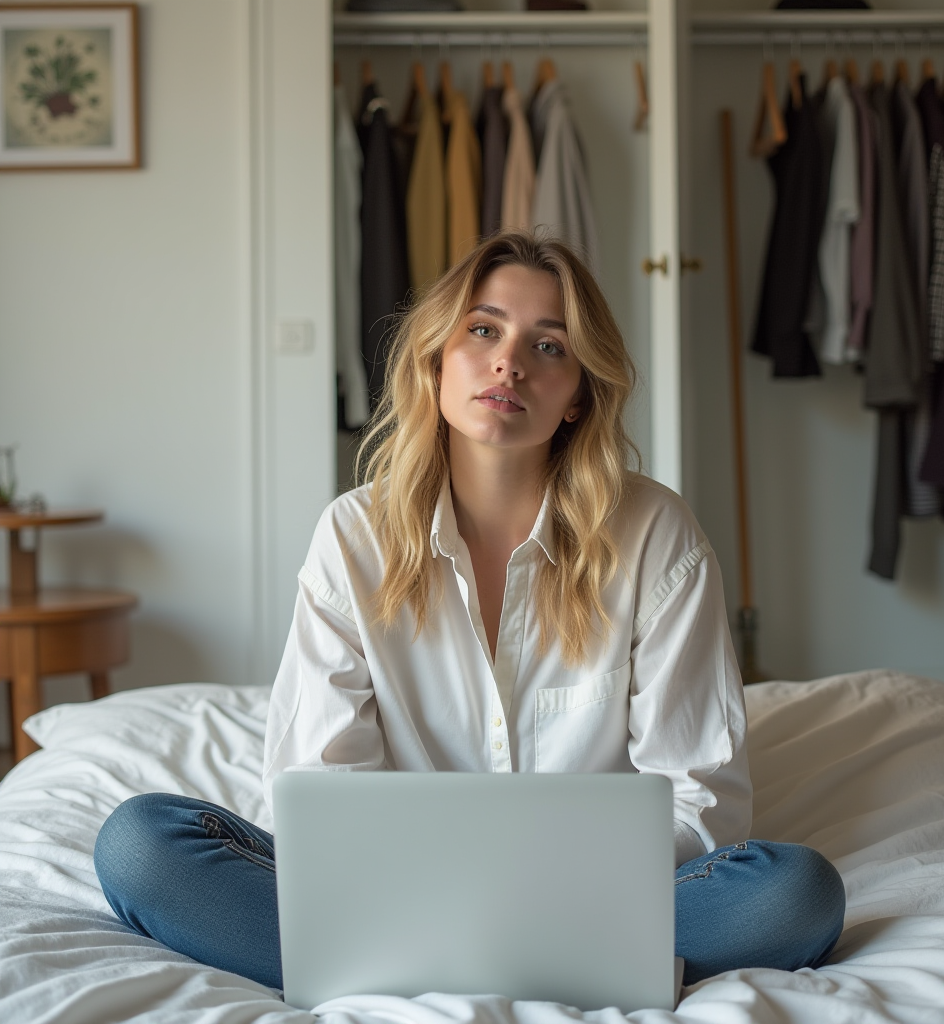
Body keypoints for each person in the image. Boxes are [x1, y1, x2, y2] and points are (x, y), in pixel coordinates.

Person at [94, 231, 845, 997]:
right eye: (483, 330)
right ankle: (560, 967)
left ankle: (416, 964)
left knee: (793, 892)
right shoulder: (353, 536)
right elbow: (320, 786)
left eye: (549, 346)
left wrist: (531, 891)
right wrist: (445, 890)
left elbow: (702, 798)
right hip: (402, 893)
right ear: (436, 360)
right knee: (140, 846)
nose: (509, 363)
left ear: (580, 390)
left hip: (594, 900)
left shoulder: (656, 536)